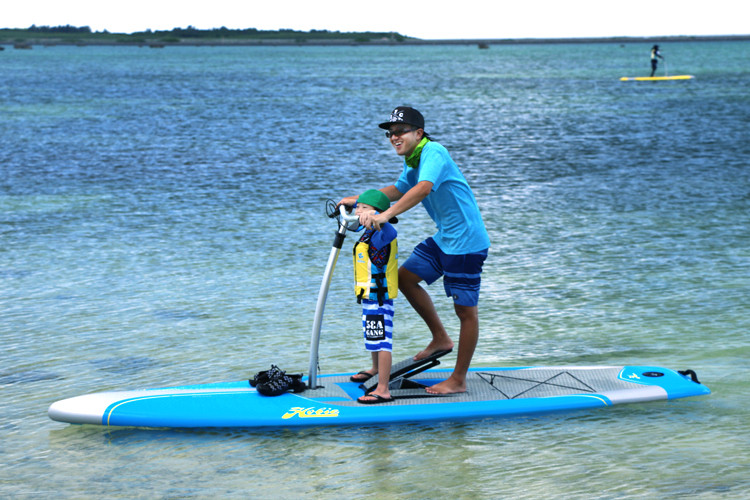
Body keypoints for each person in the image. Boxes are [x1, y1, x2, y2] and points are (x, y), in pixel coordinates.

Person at [339, 106, 490, 395]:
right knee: (406, 278)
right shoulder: (413, 160)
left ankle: (458, 379)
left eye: (400, 131)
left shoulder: (433, 152)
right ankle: (440, 338)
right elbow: (398, 189)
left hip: (467, 244)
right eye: (390, 133)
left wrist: (384, 215)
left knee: (466, 312)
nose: (394, 137)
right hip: (446, 238)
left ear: (418, 133)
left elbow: (422, 189)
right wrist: (358, 200)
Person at [349, 189, 399, 404]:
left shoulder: (381, 233)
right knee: (373, 336)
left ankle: (383, 388)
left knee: (382, 341)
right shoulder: (367, 231)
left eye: (363, 208)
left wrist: (381, 219)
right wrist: (347, 205)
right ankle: (375, 369)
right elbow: (353, 211)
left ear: (377, 213)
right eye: (357, 207)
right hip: (369, 298)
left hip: (379, 299)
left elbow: (391, 232)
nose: (358, 211)